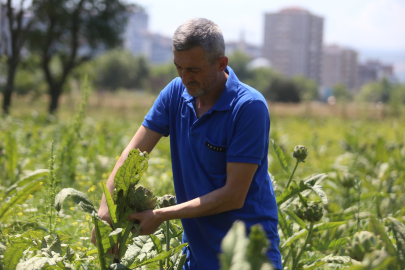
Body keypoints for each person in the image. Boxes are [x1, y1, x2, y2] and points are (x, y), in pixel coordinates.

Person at [92, 18, 282, 270]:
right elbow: (134, 152)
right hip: (196, 252)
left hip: (247, 254)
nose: (184, 78)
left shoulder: (248, 107)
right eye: (178, 67)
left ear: (221, 63)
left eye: (193, 70)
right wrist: (106, 210)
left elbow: (234, 196)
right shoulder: (175, 94)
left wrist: (160, 215)